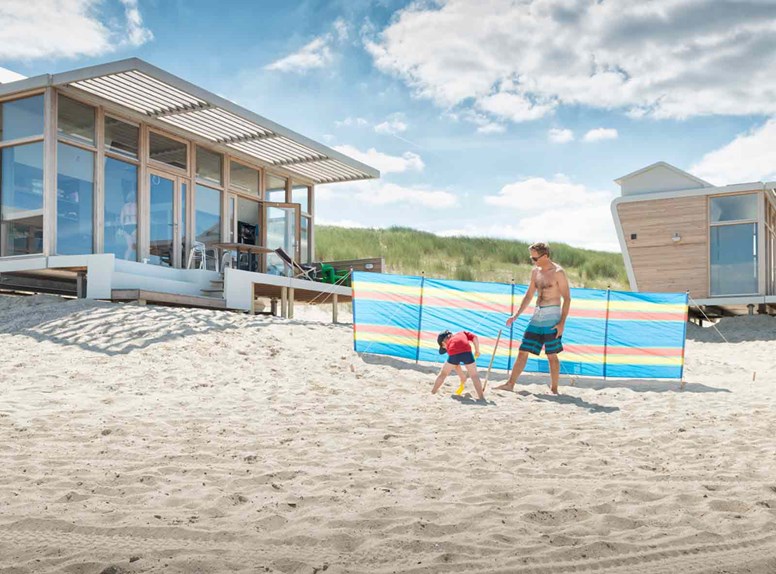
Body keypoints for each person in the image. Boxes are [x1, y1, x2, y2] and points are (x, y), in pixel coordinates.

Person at [495, 242, 570, 394]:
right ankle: (510, 384)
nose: (533, 261)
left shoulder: (558, 272)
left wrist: (562, 324)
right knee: (523, 350)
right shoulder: (535, 272)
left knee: (551, 354)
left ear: (546, 255)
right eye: (531, 258)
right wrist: (516, 315)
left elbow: (567, 299)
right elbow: (529, 295)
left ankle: (554, 389)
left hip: (552, 316)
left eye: (535, 258)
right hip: (537, 316)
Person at [431, 330, 486, 400]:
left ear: (443, 343)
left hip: (454, 354)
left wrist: (462, 377)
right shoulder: (462, 333)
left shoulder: (450, 346)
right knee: (474, 375)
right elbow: (475, 337)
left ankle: (433, 392)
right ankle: (481, 397)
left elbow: (455, 364)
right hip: (467, 352)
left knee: (443, 373)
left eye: (444, 347)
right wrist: (477, 350)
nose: (445, 348)